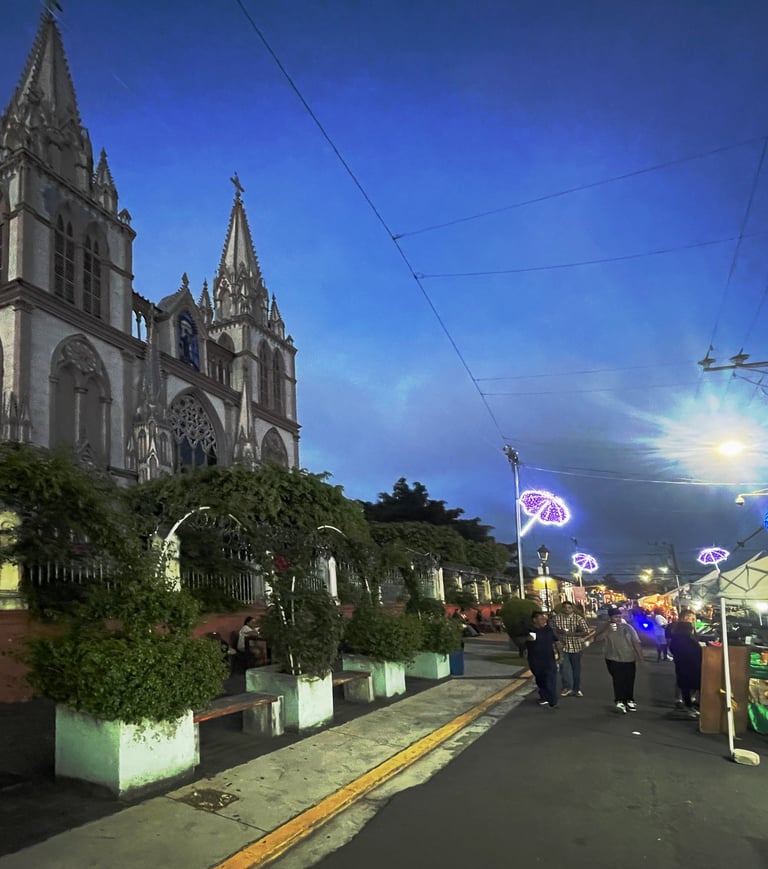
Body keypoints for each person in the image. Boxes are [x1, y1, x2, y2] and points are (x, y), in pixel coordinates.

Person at [594, 607, 643, 713]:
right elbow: (597, 639)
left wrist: (640, 657)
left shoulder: (628, 627)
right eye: (615, 617)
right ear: (610, 617)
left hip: (629, 658)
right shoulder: (605, 627)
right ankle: (619, 700)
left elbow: (636, 642)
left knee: (629, 680)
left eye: (620, 617)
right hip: (612, 658)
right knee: (618, 680)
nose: (618, 619)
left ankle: (629, 700)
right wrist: (608, 631)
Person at [551, 600, 590, 697]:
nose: (567, 609)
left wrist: (573, 634)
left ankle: (576, 688)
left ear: (572, 609)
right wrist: (559, 634)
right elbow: (552, 630)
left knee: (576, 669)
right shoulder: (557, 618)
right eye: (565, 607)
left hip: (576, 647)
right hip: (563, 647)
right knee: (564, 669)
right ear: (562, 608)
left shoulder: (578, 618)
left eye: (569, 607)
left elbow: (586, 631)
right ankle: (566, 687)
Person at [525, 611, 562, 708]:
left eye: (544, 619)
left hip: (549, 659)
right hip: (535, 660)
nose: (543, 621)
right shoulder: (530, 630)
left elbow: (557, 642)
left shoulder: (548, 630)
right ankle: (544, 697)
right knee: (540, 679)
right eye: (541, 619)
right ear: (534, 620)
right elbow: (524, 643)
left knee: (550, 679)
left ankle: (553, 700)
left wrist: (560, 655)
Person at [668, 620, 702, 717]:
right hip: (691, 666)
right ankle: (690, 707)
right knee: (692, 686)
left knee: (685, 687)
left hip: (682, 665)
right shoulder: (688, 639)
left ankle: (689, 706)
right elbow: (696, 651)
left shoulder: (676, 638)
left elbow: (672, 650)